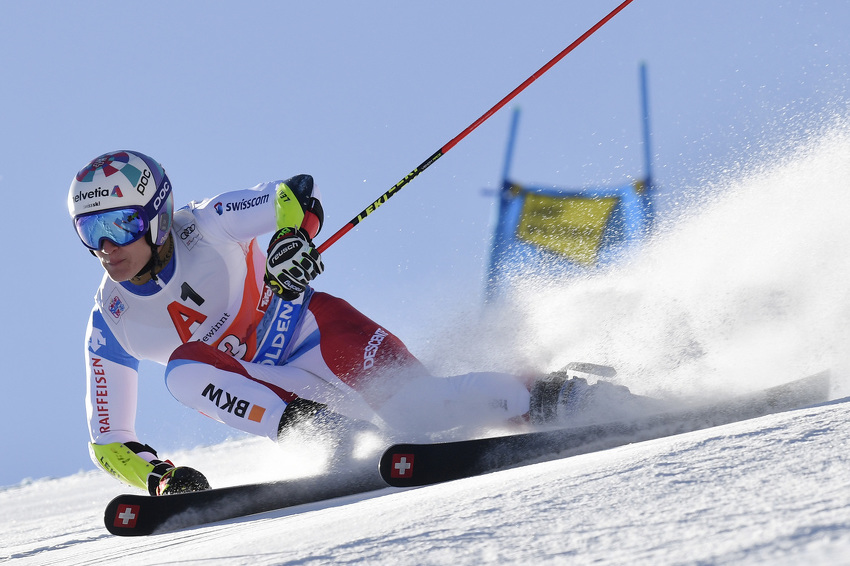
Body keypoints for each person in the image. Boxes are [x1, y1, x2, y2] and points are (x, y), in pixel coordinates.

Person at [69, 150, 647, 496]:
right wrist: (160, 479)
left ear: (157, 217)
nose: (106, 248)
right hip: (280, 395)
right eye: (90, 232)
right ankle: (315, 433)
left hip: (317, 333)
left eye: (118, 226)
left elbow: (295, 194)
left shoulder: (209, 221)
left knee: (425, 411)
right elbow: (109, 441)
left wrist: (294, 240)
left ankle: (562, 396)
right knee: (183, 368)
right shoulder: (112, 321)